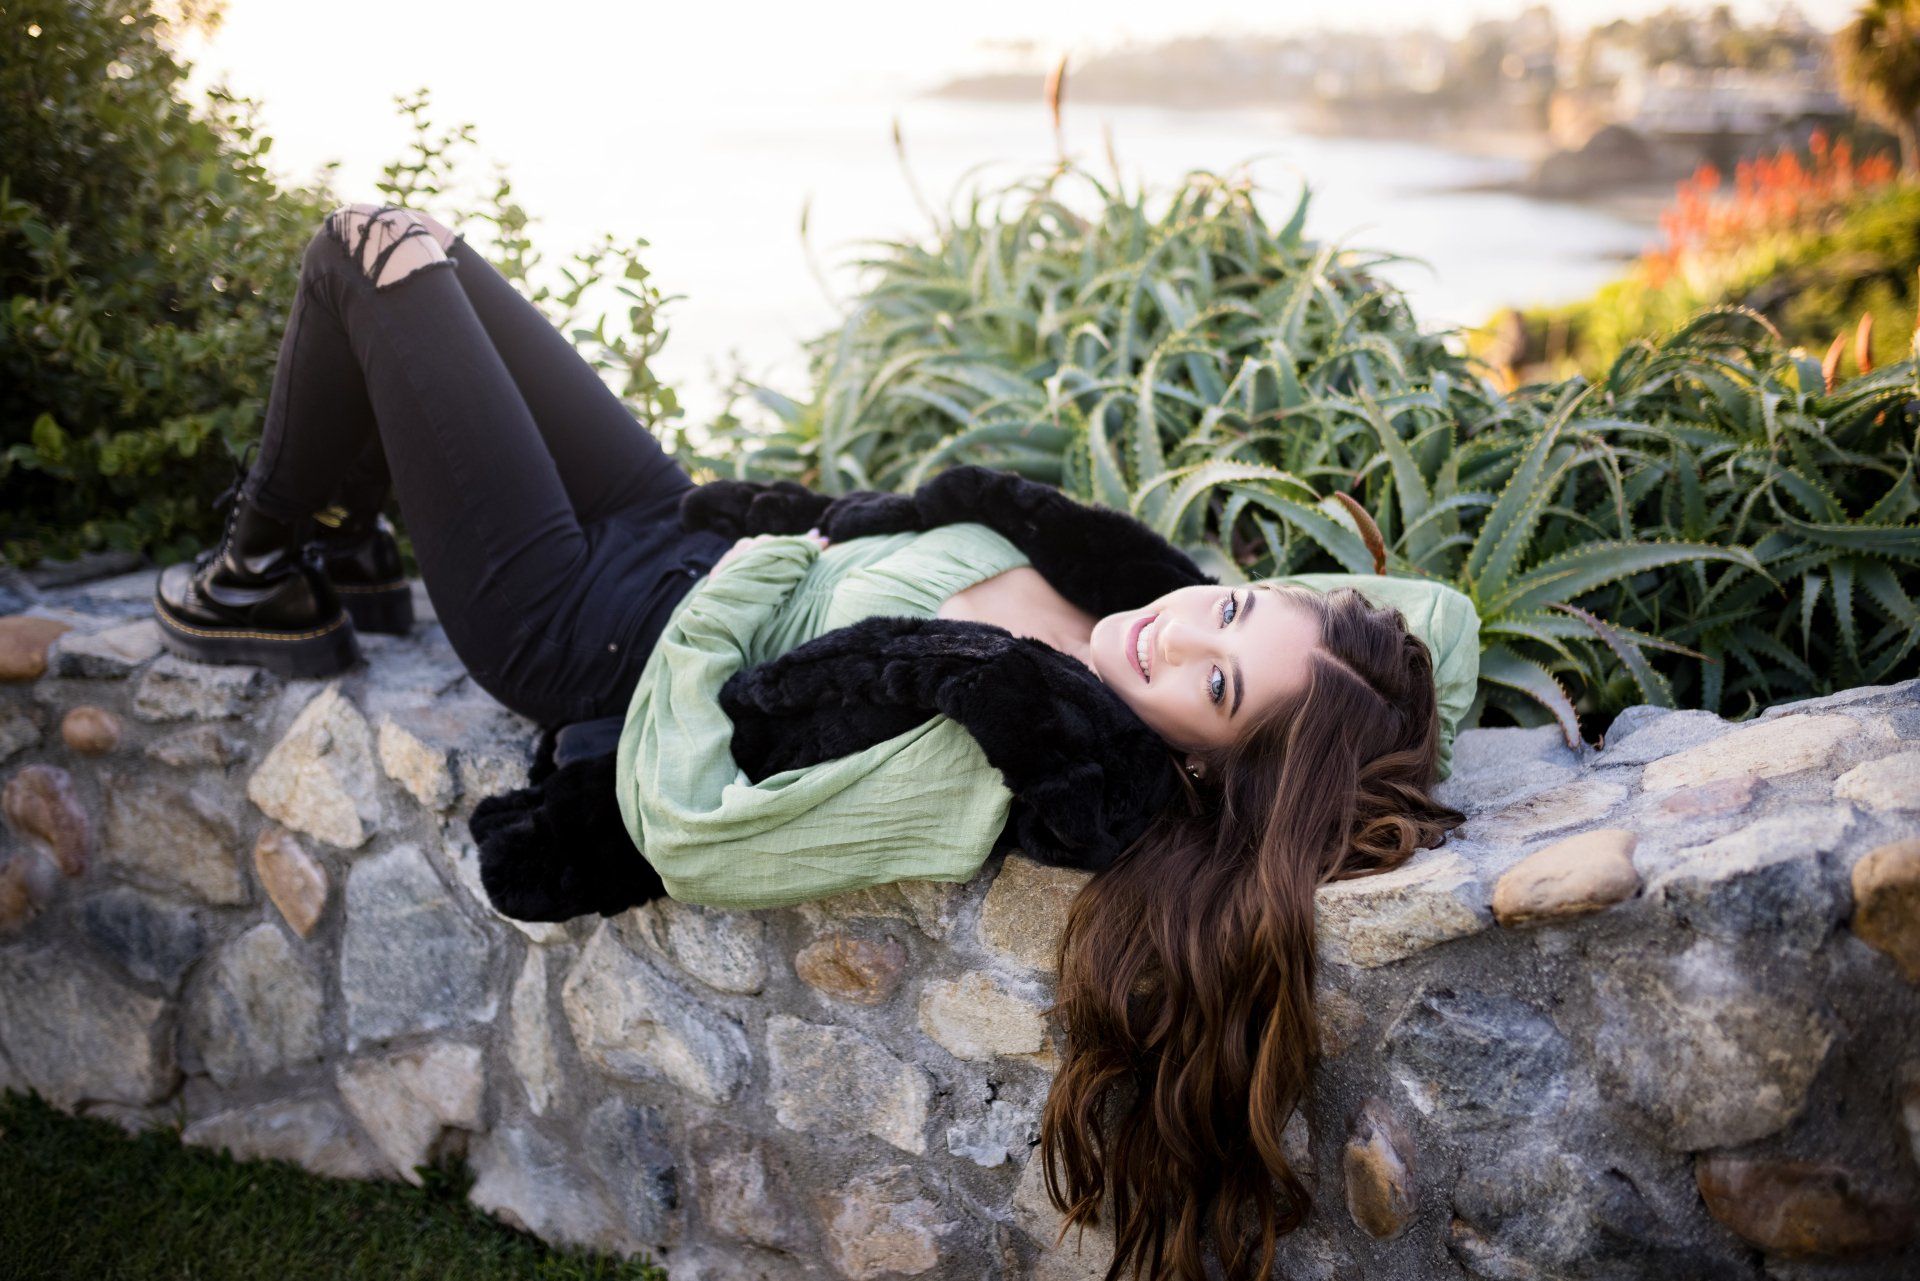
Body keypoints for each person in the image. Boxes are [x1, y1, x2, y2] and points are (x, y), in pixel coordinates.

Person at [153, 202, 1478, 1281]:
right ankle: (319, 549)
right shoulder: (1133, 593)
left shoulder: (988, 748)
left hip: (586, 625)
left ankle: (265, 566)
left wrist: (758, 567)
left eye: (1219, 686)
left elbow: (689, 821)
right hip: (670, 524)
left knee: (368, 252)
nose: (1179, 634)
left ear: (1204, 759)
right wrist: (1363, 698)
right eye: (1232, 604)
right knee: (424, 237)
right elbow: (1443, 625)